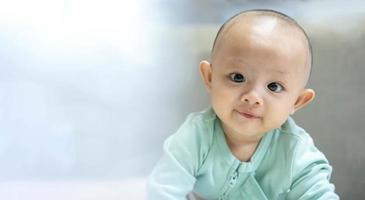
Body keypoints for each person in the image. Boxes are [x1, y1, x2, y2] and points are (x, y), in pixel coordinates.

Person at [146, 9, 339, 200]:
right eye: (237, 77)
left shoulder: (296, 152)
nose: (253, 97)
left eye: (274, 86)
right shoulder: (194, 138)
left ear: (297, 101)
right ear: (210, 78)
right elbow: (163, 191)